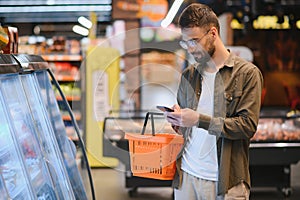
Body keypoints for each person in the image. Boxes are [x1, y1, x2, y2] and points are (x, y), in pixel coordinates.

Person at [164, 3, 263, 200]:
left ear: (213, 33)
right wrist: (178, 121)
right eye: (186, 43)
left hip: (225, 181)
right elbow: (187, 127)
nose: (190, 48)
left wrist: (198, 120)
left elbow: (247, 127)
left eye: (194, 41)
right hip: (186, 177)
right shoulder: (188, 76)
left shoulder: (247, 74)